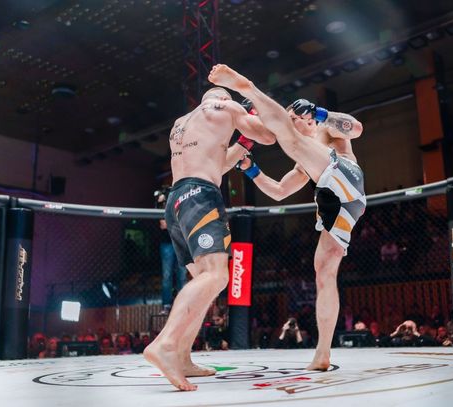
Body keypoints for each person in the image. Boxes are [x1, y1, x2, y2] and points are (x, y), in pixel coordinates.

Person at [208, 64, 365, 371]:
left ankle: (247, 86)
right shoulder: (305, 162)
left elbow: (356, 128)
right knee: (324, 272)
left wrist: (320, 113)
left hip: (347, 176)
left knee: (289, 140)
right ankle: (323, 353)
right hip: (338, 206)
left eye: (295, 117)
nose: (292, 122)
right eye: (289, 119)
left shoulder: (325, 130)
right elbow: (279, 191)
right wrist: (251, 170)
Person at [143, 86, 275, 391]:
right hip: (200, 195)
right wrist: (253, 114)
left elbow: (218, 162)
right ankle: (165, 344)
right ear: (224, 99)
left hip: (176, 200)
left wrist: (243, 143)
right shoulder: (227, 107)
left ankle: (183, 357)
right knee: (217, 276)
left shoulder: (182, 122)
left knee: (205, 283)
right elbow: (268, 136)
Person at [155, 188, 187, 314]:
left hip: (181, 243)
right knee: (167, 276)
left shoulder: (182, 202)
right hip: (167, 243)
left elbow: (185, 223)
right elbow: (163, 225)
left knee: (182, 275)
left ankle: (182, 305)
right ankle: (166, 305)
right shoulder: (161, 205)